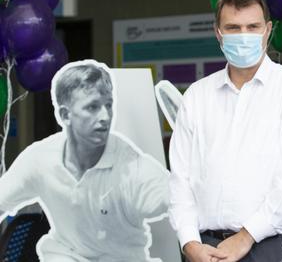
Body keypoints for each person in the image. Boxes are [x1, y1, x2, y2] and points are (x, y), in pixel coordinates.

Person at [168, 0, 282, 262]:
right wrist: (189, 243)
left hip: (270, 248)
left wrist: (246, 237)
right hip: (203, 249)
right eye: (233, 27)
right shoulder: (196, 96)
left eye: (252, 26)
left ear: (268, 30)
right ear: (218, 32)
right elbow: (180, 181)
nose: (243, 36)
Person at [0, 60, 169, 261]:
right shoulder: (39, 158)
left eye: (108, 105)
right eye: (92, 107)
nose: (105, 116)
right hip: (65, 255)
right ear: (65, 115)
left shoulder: (132, 165)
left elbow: (171, 197)